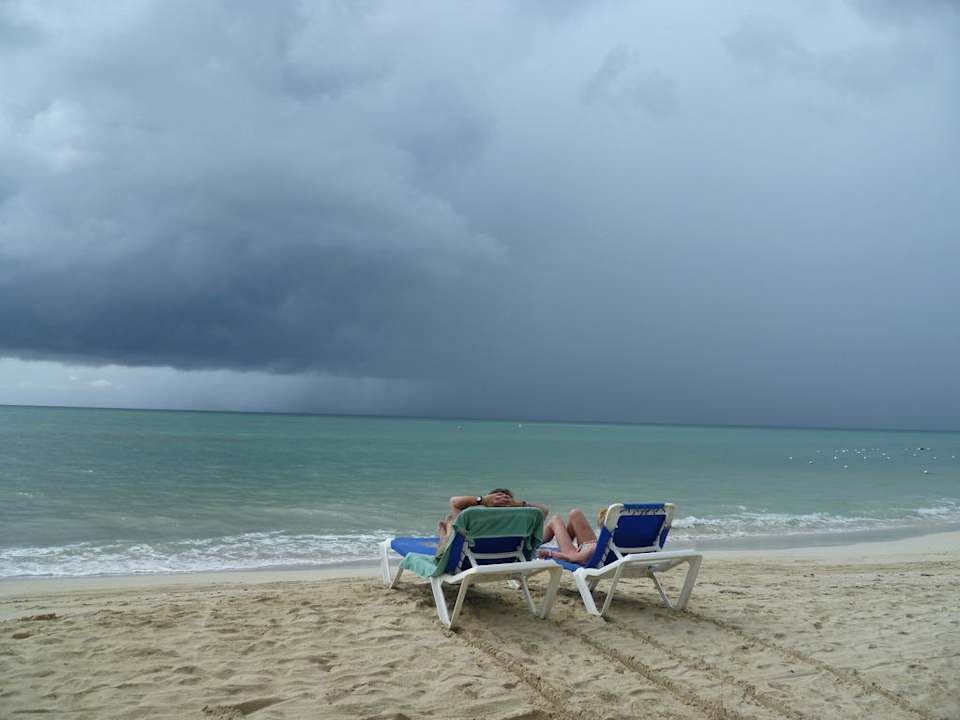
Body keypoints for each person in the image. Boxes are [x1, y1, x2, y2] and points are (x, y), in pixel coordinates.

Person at [437, 488, 549, 544]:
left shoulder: (479, 520)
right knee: (451, 521)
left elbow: (454, 502)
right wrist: (517, 504)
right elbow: (544, 511)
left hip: (473, 560)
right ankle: (447, 525)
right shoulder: (520, 523)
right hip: (512, 558)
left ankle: (445, 529)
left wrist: (482, 500)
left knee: (451, 524)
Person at [537, 507, 607, 565]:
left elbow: (576, 559)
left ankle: (534, 542)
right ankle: (564, 541)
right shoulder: (612, 542)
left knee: (555, 520)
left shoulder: (593, 548)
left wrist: (550, 553)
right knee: (575, 513)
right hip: (591, 548)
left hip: (573, 555)